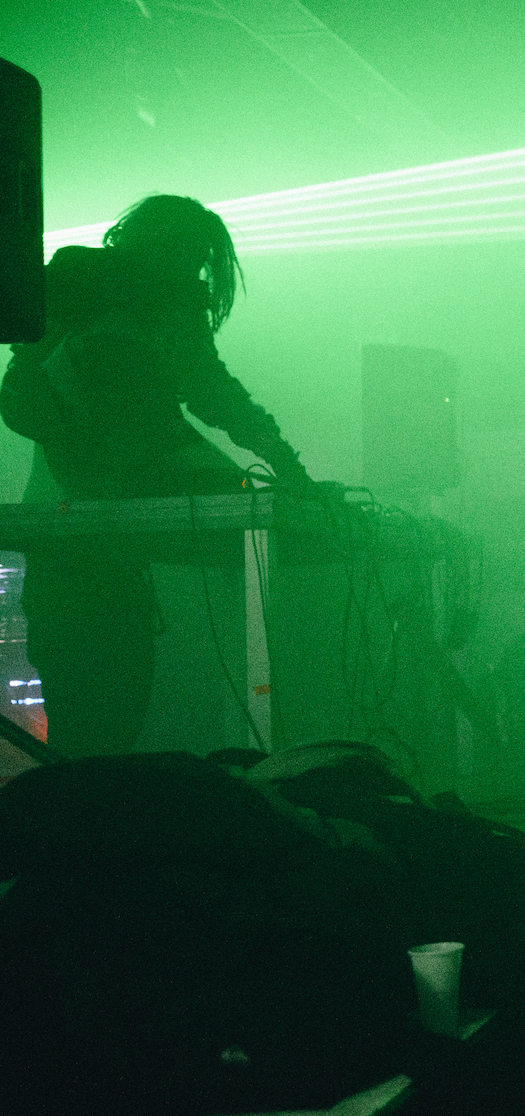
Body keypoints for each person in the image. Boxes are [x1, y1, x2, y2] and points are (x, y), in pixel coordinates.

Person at [1, 195, 316, 756]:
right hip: (70, 535)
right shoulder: (80, 286)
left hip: (110, 542)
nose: (196, 274)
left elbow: (216, 394)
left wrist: (288, 467)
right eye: (191, 259)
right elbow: (23, 402)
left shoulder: (168, 311)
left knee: (117, 699)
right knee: (85, 701)